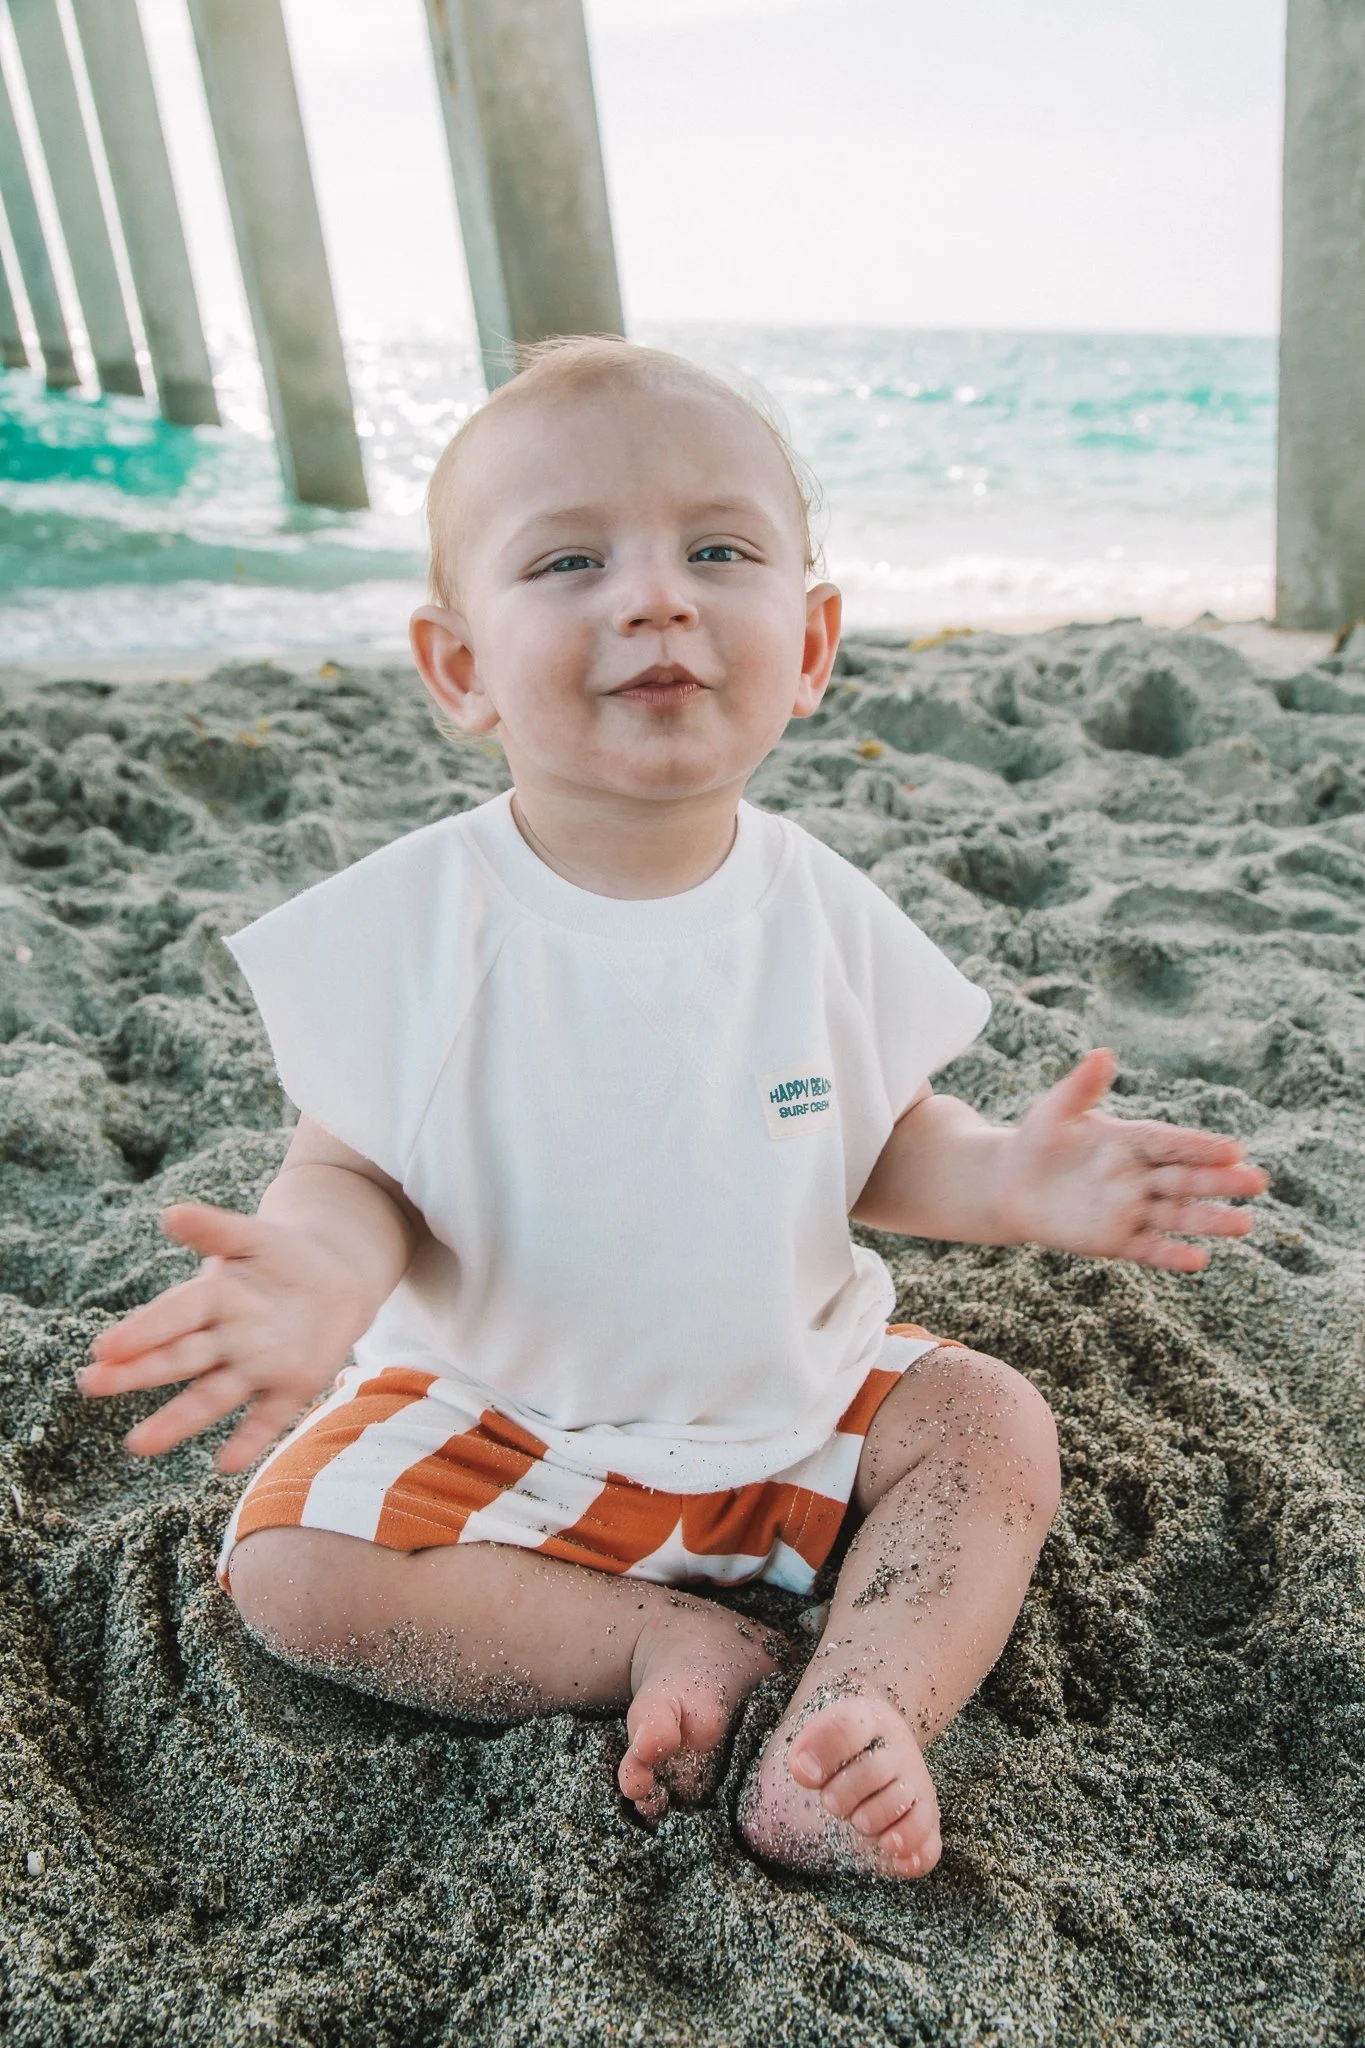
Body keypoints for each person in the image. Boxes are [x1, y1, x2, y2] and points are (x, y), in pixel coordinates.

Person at [77, 338, 1268, 1880]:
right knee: (288, 1569)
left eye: (717, 551)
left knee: (992, 1427)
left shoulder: (816, 909)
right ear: (459, 666)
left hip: (794, 1406)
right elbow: (350, 1170)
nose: (655, 599)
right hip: (505, 1427)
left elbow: (885, 1141)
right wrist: (312, 1271)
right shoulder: (420, 925)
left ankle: (857, 1711)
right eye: (570, 560)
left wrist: (1008, 1181)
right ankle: (652, 1639)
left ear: (813, 641)